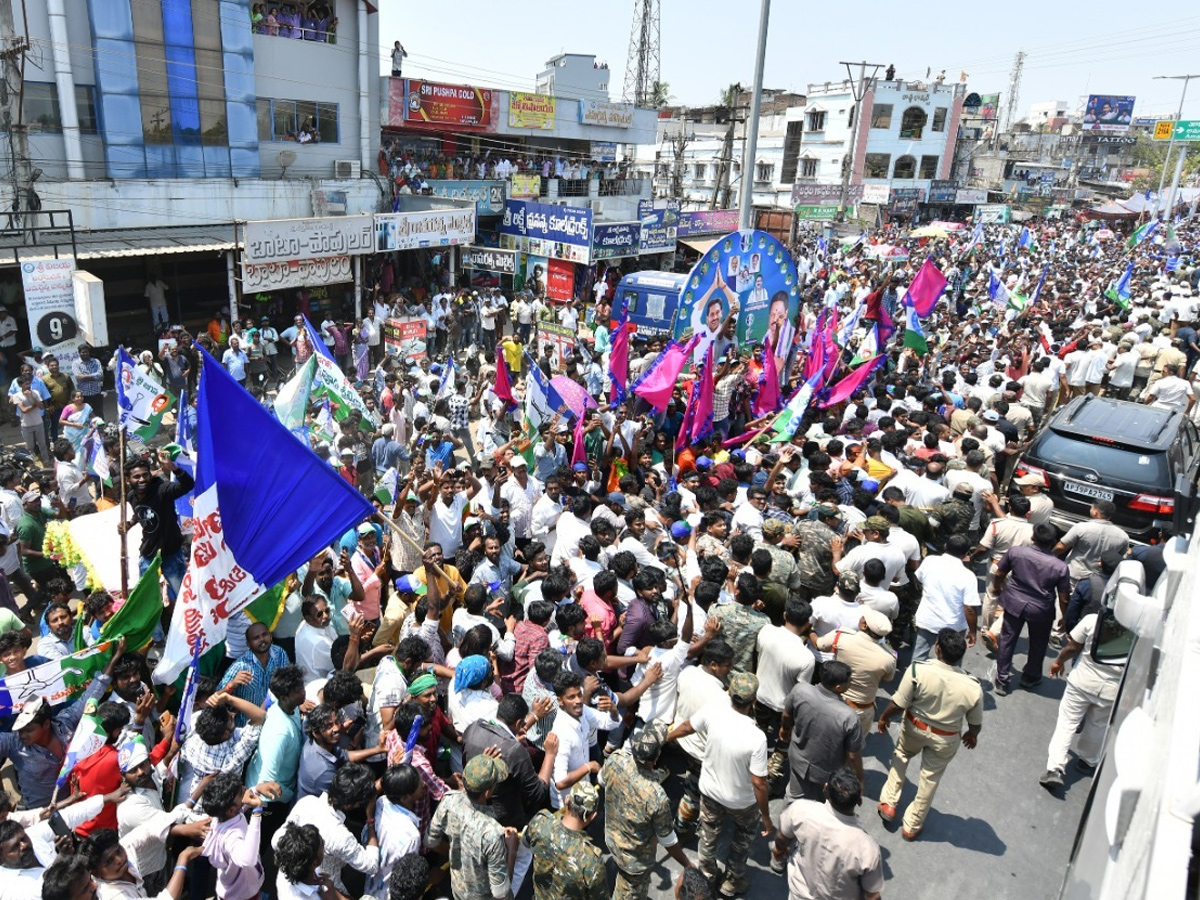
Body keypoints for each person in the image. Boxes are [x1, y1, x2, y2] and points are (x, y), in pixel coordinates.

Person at [666, 673, 771, 899]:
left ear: (730, 693)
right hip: (742, 802)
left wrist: (665, 739)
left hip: (710, 793)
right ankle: (732, 882)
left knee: (708, 835)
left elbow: (685, 727)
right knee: (742, 839)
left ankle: (707, 877)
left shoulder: (713, 711)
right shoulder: (757, 737)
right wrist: (766, 815)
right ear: (753, 701)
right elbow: (759, 783)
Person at [877, 629, 983, 840]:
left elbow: (899, 703)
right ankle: (912, 825)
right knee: (930, 779)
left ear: (937, 648)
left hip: (914, 727)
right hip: (946, 737)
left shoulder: (918, 671)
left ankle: (889, 803)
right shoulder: (973, 687)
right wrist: (972, 735)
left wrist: (884, 717)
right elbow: (975, 723)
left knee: (901, 756)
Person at [599, 723, 693, 899]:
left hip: (611, 840)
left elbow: (602, 781)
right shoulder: (656, 796)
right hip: (635, 861)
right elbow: (667, 839)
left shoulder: (615, 759)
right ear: (656, 757)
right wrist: (687, 863)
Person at [1040, 605, 1124, 791]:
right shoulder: (1138, 633)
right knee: (1098, 725)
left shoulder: (1093, 620)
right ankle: (1087, 761)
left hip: (1082, 681)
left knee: (1067, 722)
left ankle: (1055, 769)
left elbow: (1072, 647)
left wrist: (1059, 661)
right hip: (1112, 689)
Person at [770, 766, 884, 900]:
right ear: (859, 801)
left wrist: (778, 851)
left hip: (798, 893)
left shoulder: (800, 810)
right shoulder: (867, 848)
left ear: (825, 789)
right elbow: (872, 894)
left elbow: (782, 837)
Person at [992, 523, 1071, 696]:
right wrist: (1065, 618)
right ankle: (1030, 676)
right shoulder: (1060, 567)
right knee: (1038, 643)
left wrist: (997, 588)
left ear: (1033, 537)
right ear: (1054, 542)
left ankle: (1002, 680)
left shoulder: (1016, 552)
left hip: (1014, 602)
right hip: (1041, 609)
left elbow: (999, 573)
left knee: (1007, 640)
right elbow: (1064, 597)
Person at [426, 755, 514, 900]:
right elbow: (500, 893)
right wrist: (512, 850)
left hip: (458, 890)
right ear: (487, 792)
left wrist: (457, 852)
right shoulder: (492, 833)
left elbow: (430, 841)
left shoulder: (449, 800)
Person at [778, 662, 865, 802]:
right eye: (849, 681)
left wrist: (784, 729)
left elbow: (787, 715)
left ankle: (789, 820)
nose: (851, 682)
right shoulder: (849, 717)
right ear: (838, 687)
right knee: (822, 806)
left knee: (794, 798)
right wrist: (859, 779)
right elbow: (853, 756)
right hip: (826, 773)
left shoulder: (800, 690)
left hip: (797, 759)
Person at [121, 452, 194, 599]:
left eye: (145, 475)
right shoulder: (130, 497)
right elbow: (140, 513)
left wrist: (173, 467)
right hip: (148, 554)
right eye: (136, 477)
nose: (142, 479)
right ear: (128, 480)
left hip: (170, 554)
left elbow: (188, 485)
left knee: (183, 596)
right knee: (148, 597)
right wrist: (129, 524)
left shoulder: (162, 490)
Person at [522, 782, 607, 900]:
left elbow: (525, 842)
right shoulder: (591, 861)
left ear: (567, 800)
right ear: (592, 816)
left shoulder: (540, 823)